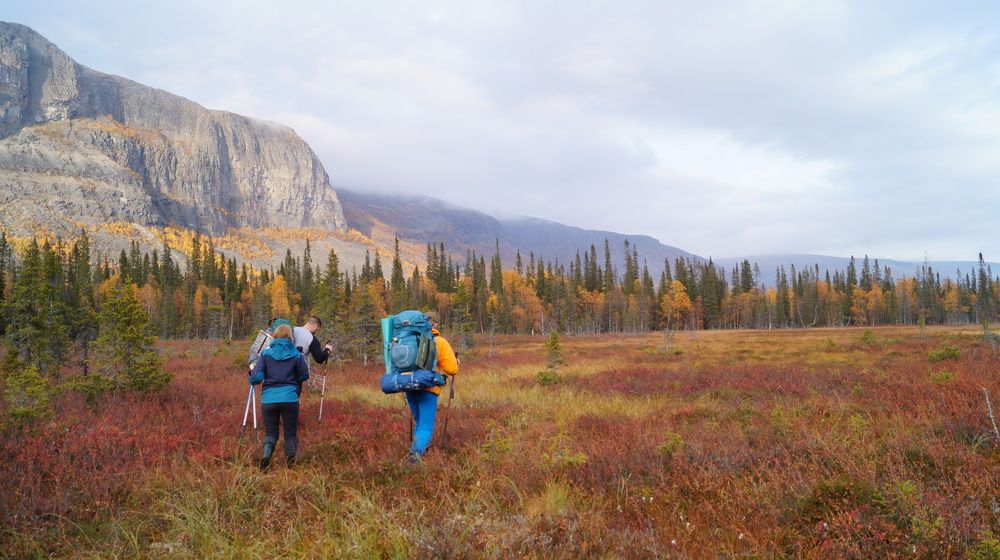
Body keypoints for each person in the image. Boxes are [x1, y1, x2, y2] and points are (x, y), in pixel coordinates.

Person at [249, 324, 309, 469]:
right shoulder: (296, 354)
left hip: (269, 399)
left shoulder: (265, 354)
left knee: (271, 432)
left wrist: (252, 376)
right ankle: (290, 463)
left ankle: (266, 455)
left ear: (275, 335)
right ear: (290, 337)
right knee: (290, 433)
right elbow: (304, 375)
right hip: (290, 399)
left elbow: (257, 378)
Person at [405, 311, 459, 463]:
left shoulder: (409, 339)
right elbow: (452, 369)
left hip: (409, 386)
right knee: (426, 426)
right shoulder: (440, 342)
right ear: (435, 324)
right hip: (428, 389)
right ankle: (414, 458)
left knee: (420, 422)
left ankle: (419, 450)